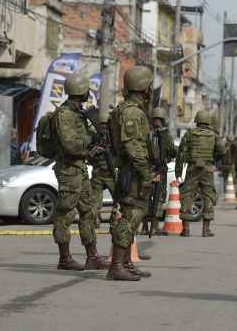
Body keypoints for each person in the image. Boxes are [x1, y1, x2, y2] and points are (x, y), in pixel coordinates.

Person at [51, 73, 109, 271]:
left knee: (88, 211)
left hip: (80, 168)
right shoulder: (64, 115)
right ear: (81, 91)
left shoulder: (77, 113)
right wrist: (90, 142)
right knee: (65, 213)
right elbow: (70, 145)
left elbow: (83, 142)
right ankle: (64, 258)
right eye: (86, 91)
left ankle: (92, 256)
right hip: (69, 170)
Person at [108, 65, 159, 281]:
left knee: (135, 216)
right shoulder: (132, 112)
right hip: (133, 173)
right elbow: (133, 147)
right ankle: (117, 266)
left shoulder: (127, 109)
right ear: (144, 88)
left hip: (133, 170)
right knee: (130, 217)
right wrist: (146, 173)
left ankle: (126, 262)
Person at [176, 110, 223, 237]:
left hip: (192, 168)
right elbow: (222, 151)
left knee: (187, 194)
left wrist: (178, 171)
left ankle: (185, 229)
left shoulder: (190, 134)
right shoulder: (214, 135)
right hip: (207, 169)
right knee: (208, 195)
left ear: (197, 120)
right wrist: (214, 163)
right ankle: (206, 230)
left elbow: (181, 152)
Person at [140, 107, 177, 237]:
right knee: (159, 197)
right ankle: (154, 226)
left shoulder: (146, 133)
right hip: (160, 170)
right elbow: (172, 151)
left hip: (147, 169)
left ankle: (144, 226)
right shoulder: (166, 135)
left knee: (145, 196)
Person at [220, 133, 237, 210]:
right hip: (232, 165)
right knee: (235, 183)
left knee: (226, 181)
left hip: (225, 165)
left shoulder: (224, 146)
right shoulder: (235, 146)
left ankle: (226, 194)